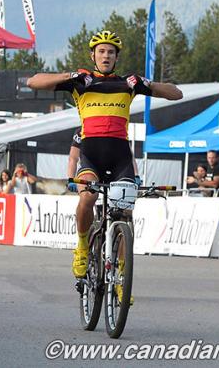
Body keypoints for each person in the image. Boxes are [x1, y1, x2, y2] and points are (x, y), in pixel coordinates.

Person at [27, 29, 182, 293]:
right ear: (93, 55)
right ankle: (82, 245)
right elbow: (33, 82)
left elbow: (176, 94)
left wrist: (146, 83)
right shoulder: (80, 82)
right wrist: (70, 76)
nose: (106, 55)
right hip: (91, 156)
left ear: (116, 57)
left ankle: (121, 275)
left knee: (125, 213)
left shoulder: (128, 84)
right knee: (88, 198)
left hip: (120, 157)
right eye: (101, 51)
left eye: (111, 52)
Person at [67, 127, 140, 192]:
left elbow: (128, 155)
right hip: (93, 166)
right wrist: (71, 178)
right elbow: (73, 158)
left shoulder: (117, 128)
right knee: (88, 194)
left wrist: (136, 175)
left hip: (115, 166)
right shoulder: (81, 132)